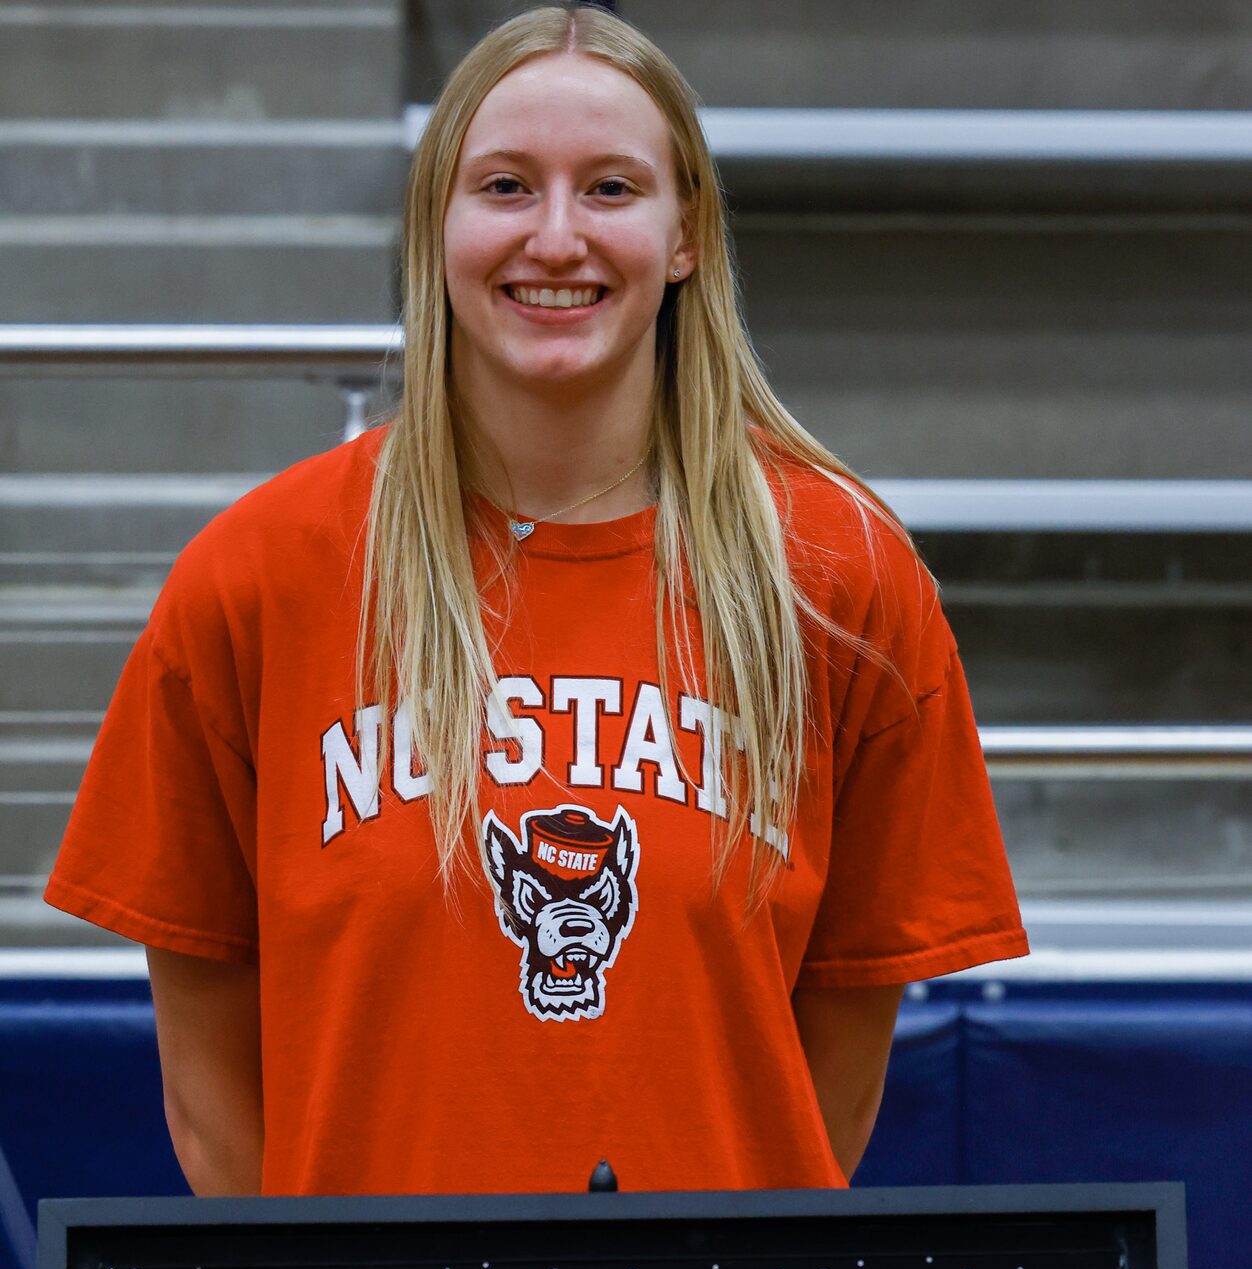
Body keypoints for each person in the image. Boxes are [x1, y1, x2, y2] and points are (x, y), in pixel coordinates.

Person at [44, 2, 1027, 1199]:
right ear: (435, 228)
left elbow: (831, 1082)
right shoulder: (256, 578)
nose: (556, 237)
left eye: (610, 189)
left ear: (686, 236)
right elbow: (210, 1098)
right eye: (506, 187)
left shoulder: (836, 576)